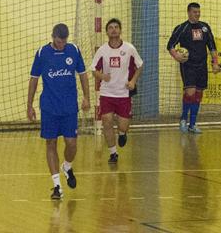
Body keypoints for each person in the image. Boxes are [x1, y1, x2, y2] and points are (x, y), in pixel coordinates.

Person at [27, 23, 91, 200]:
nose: (62, 44)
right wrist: (29, 105)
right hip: (49, 107)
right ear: (53, 37)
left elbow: (83, 75)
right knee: (51, 143)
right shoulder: (42, 53)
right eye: (59, 41)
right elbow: (34, 79)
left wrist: (87, 97)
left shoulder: (74, 50)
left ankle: (67, 166)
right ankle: (57, 186)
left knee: (71, 143)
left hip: (69, 107)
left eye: (64, 41)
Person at [91, 18, 143, 165]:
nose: (113, 29)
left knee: (123, 125)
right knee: (106, 121)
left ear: (120, 30)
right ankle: (113, 153)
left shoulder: (129, 48)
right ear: (107, 32)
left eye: (116, 27)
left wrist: (133, 81)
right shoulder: (102, 50)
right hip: (107, 93)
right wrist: (102, 76)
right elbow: (93, 69)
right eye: (110, 27)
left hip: (123, 94)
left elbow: (140, 66)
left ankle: (122, 133)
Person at [166, 2, 220, 133]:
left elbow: (212, 46)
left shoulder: (205, 27)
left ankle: (193, 124)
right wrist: (176, 55)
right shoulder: (182, 28)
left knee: (198, 94)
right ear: (189, 12)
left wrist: (215, 62)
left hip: (202, 65)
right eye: (195, 12)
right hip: (188, 65)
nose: (197, 14)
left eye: (199, 12)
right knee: (190, 92)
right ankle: (183, 119)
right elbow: (170, 45)